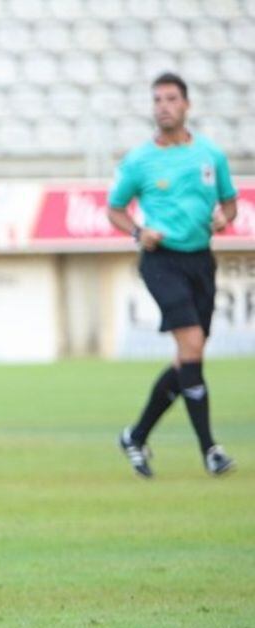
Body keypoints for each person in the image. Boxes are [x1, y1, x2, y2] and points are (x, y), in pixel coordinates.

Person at [107, 72, 237, 478]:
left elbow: (230, 205)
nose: (163, 106)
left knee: (188, 360)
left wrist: (222, 220)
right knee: (193, 346)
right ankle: (210, 450)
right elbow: (114, 208)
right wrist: (137, 232)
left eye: (171, 99)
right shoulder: (140, 160)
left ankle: (136, 435)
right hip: (161, 261)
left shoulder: (210, 156)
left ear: (186, 105)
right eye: (157, 100)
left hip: (201, 260)